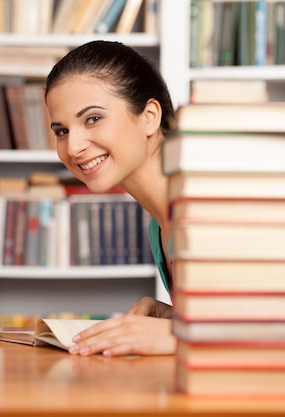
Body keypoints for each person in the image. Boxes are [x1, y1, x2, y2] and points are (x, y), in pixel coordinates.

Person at [44, 40, 176, 356]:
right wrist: (174, 319)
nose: (73, 147)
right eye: (62, 131)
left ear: (149, 116)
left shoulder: (210, 206)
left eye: (92, 119)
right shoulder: (158, 228)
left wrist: (180, 335)